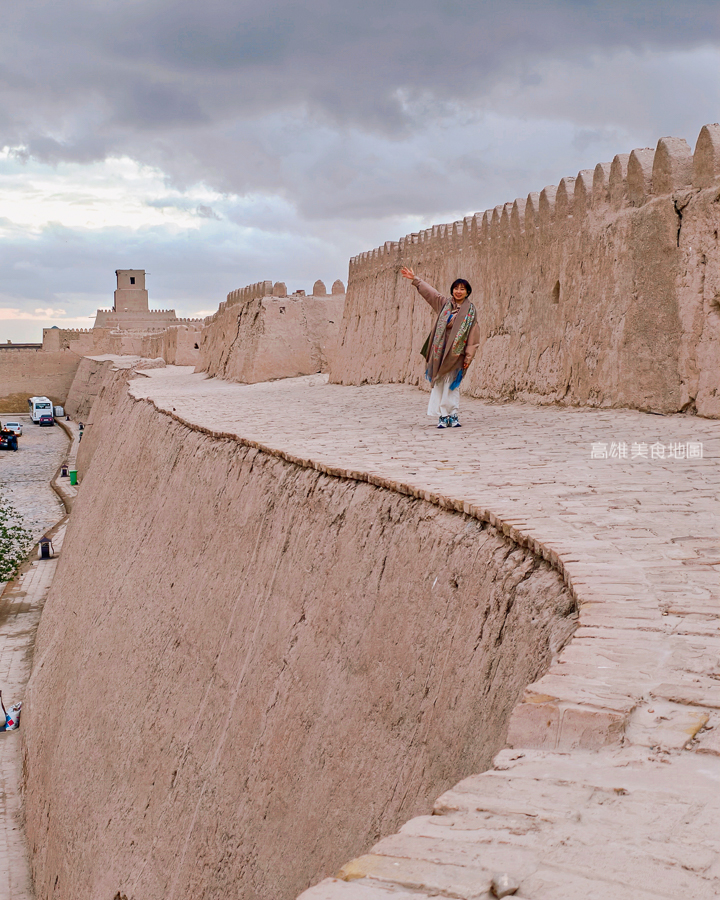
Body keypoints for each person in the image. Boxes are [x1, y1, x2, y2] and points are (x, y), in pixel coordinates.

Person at [400, 266, 480, 428]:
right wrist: (415, 280)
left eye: (462, 289)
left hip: (457, 354)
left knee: (452, 384)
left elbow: (473, 334)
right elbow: (431, 293)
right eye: (456, 288)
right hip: (440, 353)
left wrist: (468, 356)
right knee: (440, 383)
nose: (458, 292)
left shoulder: (470, 311)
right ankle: (443, 415)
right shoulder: (444, 305)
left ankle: (453, 414)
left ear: (467, 292)